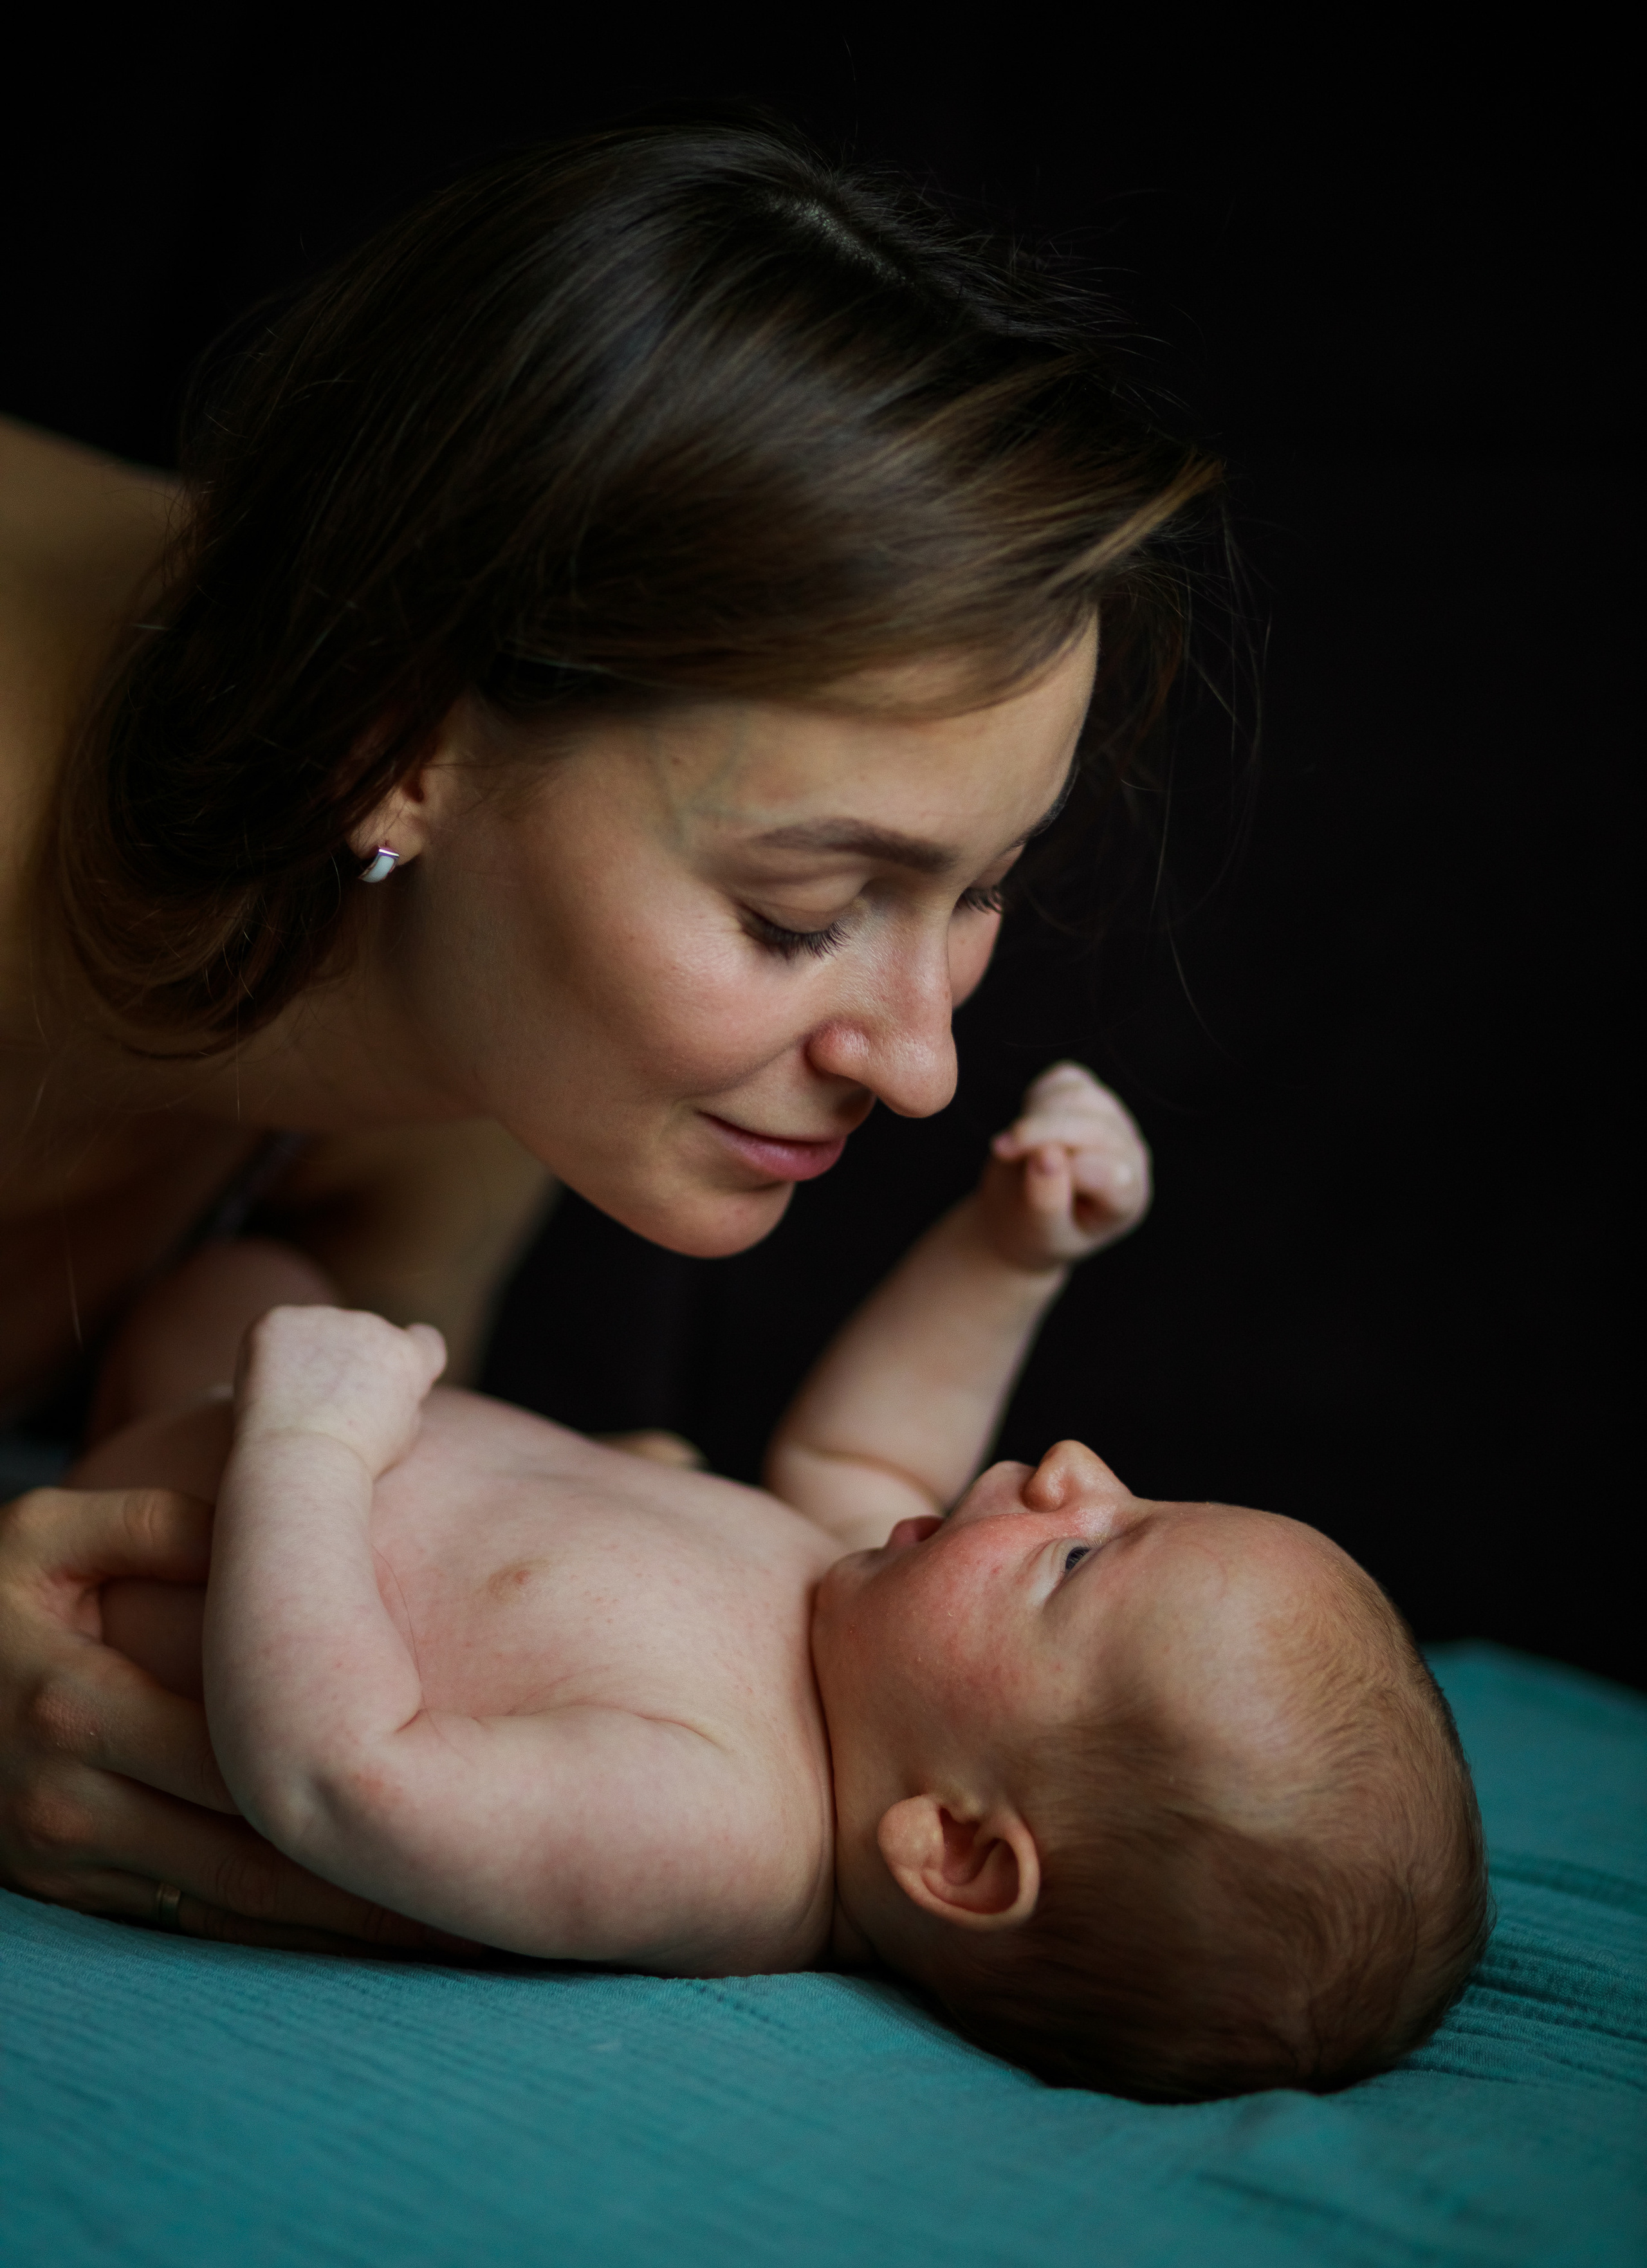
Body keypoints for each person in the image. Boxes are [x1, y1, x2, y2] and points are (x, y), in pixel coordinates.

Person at [0, 112, 1220, 1949]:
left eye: (981, 891)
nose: (922, 1069)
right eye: (796, 915)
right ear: (391, 744)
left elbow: (288, 1466)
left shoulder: (483, 1023)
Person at [74, 1065, 1489, 2099]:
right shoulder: (865, 1626)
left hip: (154, 1549)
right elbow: (868, 1447)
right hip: (255, 1397)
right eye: (1137, 1497)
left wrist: (310, 1448)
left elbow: (344, 1777)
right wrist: (1011, 1252)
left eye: (1080, 1558)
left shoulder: (718, 1825)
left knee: (222, 1274)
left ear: (957, 1851)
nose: (1076, 1467)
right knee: (245, 1266)